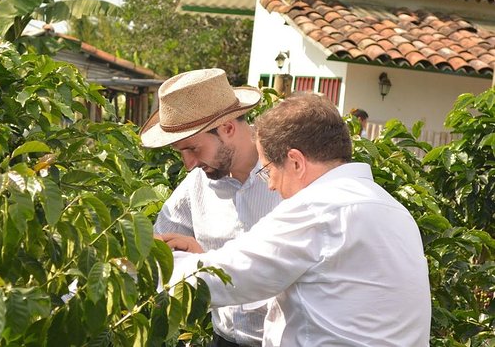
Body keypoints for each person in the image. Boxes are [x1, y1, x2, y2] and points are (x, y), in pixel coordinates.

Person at [163, 94, 431, 346]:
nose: (270, 186)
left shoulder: (318, 209)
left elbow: (227, 278)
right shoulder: (393, 209)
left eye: (268, 170)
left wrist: (149, 261)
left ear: (296, 162)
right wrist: (206, 260)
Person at [139, 68, 283, 347]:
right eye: (181, 152)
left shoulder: (290, 178)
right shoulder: (197, 185)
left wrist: (208, 262)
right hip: (224, 339)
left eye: (193, 149)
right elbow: (157, 250)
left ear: (227, 128)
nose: (189, 163)